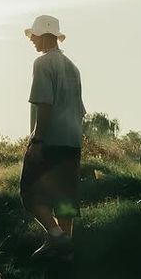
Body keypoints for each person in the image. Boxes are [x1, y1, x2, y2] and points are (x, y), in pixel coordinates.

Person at [21, 14, 85, 257]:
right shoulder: (73, 67)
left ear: (44, 36)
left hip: (50, 140)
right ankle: (64, 246)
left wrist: (37, 139)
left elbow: (44, 105)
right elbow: (80, 109)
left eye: (34, 36)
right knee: (65, 196)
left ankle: (56, 237)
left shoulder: (42, 64)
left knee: (30, 192)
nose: (32, 41)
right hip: (72, 141)